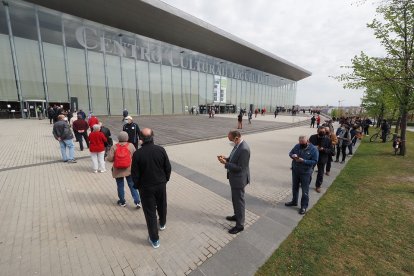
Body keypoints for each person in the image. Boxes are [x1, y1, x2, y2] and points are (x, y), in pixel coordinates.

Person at [131, 128, 171, 249]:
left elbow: (135, 174)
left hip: (146, 187)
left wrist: (137, 186)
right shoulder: (161, 150)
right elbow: (168, 167)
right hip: (160, 184)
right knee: (162, 204)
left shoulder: (137, 154)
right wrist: (165, 179)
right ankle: (162, 223)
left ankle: (154, 239)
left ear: (141, 139)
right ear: (152, 137)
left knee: (150, 213)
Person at [217, 130, 250, 234]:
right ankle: (237, 216)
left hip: (239, 180)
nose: (231, 142)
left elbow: (240, 167)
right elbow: (233, 159)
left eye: (231, 140)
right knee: (235, 199)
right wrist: (226, 158)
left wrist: (225, 164)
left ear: (237, 138)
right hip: (234, 179)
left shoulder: (244, 149)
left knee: (239, 201)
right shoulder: (237, 146)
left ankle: (240, 225)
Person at [106, 131, 141, 208]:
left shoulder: (114, 147)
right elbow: (136, 156)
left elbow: (110, 158)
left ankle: (122, 202)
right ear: (127, 137)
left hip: (118, 170)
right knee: (132, 185)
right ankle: (137, 201)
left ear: (118, 138)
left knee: (120, 186)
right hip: (129, 169)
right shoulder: (131, 145)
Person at [285, 135, 318, 215]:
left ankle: (304, 206)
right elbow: (290, 153)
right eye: (300, 142)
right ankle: (294, 201)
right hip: (295, 171)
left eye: (303, 142)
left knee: (305, 190)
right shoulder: (297, 146)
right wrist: (292, 156)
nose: (301, 144)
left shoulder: (313, 149)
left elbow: (314, 161)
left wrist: (304, 161)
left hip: (306, 173)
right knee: (295, 187)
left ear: (307, 141)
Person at [309, 127, 332, 193]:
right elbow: (308, 146)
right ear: (317, 131)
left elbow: (331, 150)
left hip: (322, 157)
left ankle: (318, 186)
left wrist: (323, 149)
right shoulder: (312, 137)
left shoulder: (328, 139)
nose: (322, 133)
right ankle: (306, 183)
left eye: (323, 131)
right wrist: (314, 147)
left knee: (320, 173)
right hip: (312, 157)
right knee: (309, 170)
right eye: (321, 131)